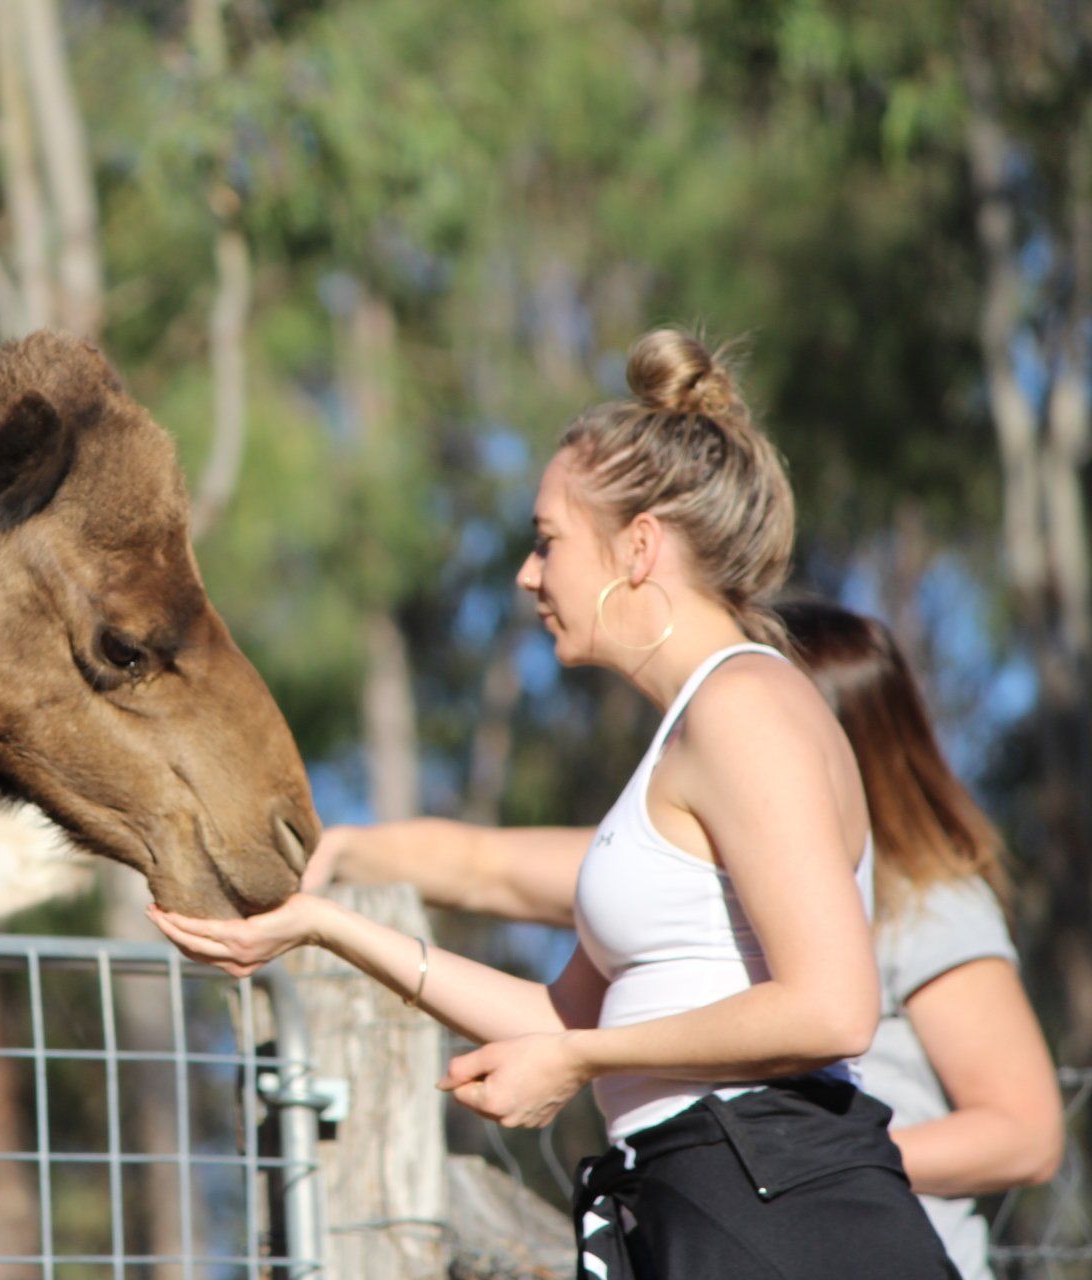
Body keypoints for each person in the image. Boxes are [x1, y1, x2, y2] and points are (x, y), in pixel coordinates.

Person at [146, 329, 958, 1277]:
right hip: (708, 1192)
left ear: (639, 548)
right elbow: (560, 1019)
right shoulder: (691, 729)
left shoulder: (745, 707)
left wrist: (583, 1066)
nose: (528, 575)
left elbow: (833, 1008)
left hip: (776, 1201)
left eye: (547, 542)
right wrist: (323, 925)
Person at [304, 600, 1063, 1279]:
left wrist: (808, 1160)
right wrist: (336, 854)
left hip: (843, 1228)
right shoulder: (688, 864)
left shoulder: (927, 903)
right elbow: (492, 868)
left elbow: (1025, 1134)